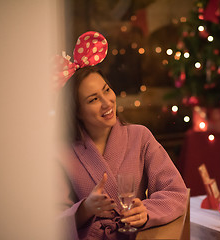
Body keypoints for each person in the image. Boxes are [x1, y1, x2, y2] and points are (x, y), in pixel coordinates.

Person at [56, 31, 188, 240]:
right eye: (93, 99)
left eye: (106, 90)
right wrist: (85, 209)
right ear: (77, 111)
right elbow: (50, 219)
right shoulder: (62, 155)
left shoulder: (140, 137)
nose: (107, 102)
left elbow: (175, 191)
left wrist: (146, 212)